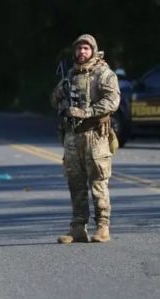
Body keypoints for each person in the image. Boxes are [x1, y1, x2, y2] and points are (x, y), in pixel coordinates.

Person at [51, 34, 120, 243]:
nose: (82, 52)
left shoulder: (104, 74)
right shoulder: (70, 75)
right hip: (73, 137)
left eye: (86, 49)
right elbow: (54, 101)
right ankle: (78, 227)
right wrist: (60, 94)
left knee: (98, 183)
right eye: (79, 48)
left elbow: (113, 101)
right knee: (76, 183)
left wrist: (87, 112)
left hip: (95, 136)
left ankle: (103, 227)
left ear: (93, 50)